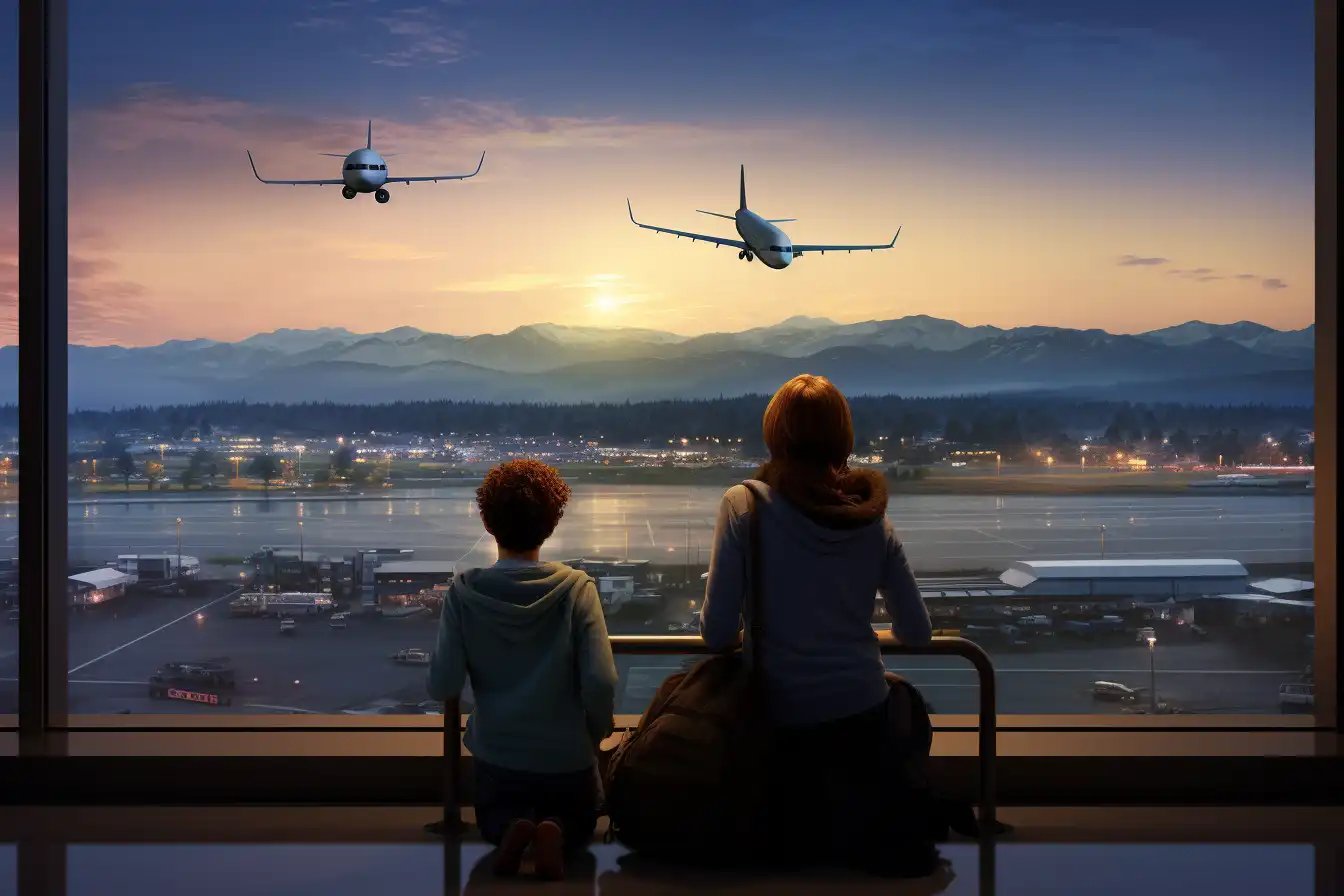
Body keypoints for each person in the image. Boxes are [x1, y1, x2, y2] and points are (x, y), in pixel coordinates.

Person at [699, 373, 938, 876]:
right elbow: (917, 632)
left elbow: (717, 633)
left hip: (776, 724)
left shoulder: (743, 507)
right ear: (842, 438)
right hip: (862, 720)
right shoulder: (874, 522)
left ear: (775, 435)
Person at [427, 458, 618, 882]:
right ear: (551, 522)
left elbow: (443, 682)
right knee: (581, 821)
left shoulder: (464, 594)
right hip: (567, 757)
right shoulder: (577, 589)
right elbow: (601, 681)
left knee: (495, 820)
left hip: (499, 756)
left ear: (488, 521)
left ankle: (514, 829)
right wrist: (595, 733)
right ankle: (558, 830)